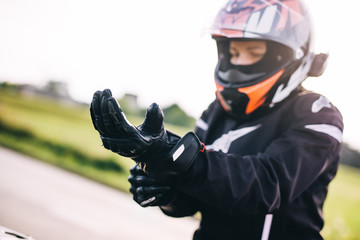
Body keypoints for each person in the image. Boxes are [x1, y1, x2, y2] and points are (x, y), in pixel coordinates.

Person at [90, 0, 343, 239]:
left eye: (252, 52)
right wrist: (164, 185)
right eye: (232, 52)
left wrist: (178, 157)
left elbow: (266, 186)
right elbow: (196, 196)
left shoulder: (318, 114)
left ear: (289, 55)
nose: (237, 63)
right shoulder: (216, 112)